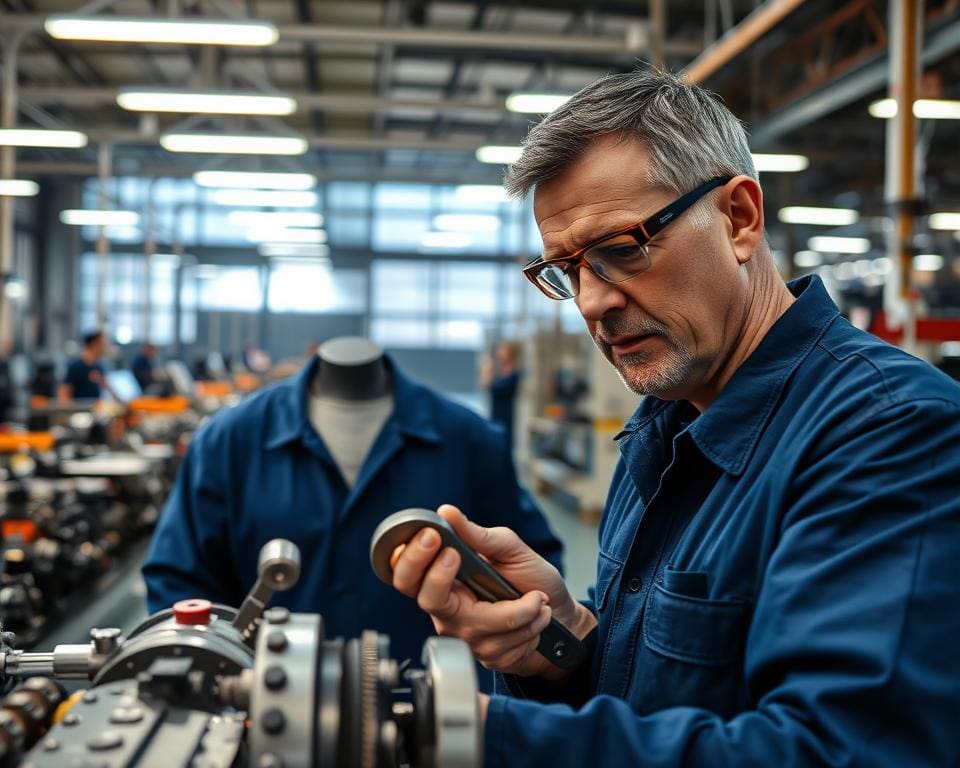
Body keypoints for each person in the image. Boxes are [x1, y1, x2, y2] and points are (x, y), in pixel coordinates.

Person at [387, 70, 960, 767]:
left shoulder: (890, 435)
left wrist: (478, 736)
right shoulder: (662, 429)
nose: (592, 302)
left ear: (740, 219)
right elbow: (655, 702)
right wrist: (564, 644)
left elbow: (838, 753)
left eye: (622, 250)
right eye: (567, 272)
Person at [143, 336, 562, 681]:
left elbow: (530, 566)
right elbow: (180, 580)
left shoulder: (468, 441)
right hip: (268, 712)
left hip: (434, 717)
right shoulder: (229, 443)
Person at [58, 330, 120, 403]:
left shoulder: (99, 366)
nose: (105, 347)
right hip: (79, 411)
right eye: (103, 344)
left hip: (95, 409)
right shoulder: (75, 366)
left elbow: (106, 386)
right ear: (95, 344)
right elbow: (63, 394)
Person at [481, 341, 522, 447]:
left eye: (503, 350)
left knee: (504, 445)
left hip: (505, 416)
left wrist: (487, 371)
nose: (499, 353)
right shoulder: (501, 371)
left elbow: (490, 386)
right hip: (496, 413)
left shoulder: (513, 373)